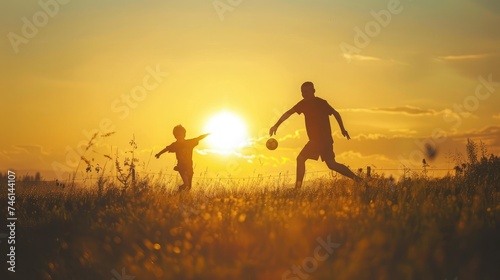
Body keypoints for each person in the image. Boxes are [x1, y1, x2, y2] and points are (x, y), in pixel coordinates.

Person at [269, 81, 361, 188]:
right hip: (321, 141)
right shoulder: (303, 104)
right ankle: (358, 180)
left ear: (313, 91)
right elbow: (288, 113)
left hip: (320, 140)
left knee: (301, 159)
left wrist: (343, 129)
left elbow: (335, 113)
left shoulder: (322, 103)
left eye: (306, 92)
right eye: (302, 92)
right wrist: (276, 125)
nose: (304, 94)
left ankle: (297, 189)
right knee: (331, 164)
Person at [155, 125, 209, 191]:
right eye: (177, 135)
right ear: (175, 136)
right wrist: (159, 154)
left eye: (181, 134)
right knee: (186, 184)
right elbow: (166, 149)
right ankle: (178, 193)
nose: (179, 136)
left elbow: (199, 138)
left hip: (189, 167)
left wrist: (208, 134)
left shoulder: (189, 143)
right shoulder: (175, 145)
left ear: (184, 135)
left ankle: (179, 192)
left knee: (188, 187)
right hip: (181, 167)